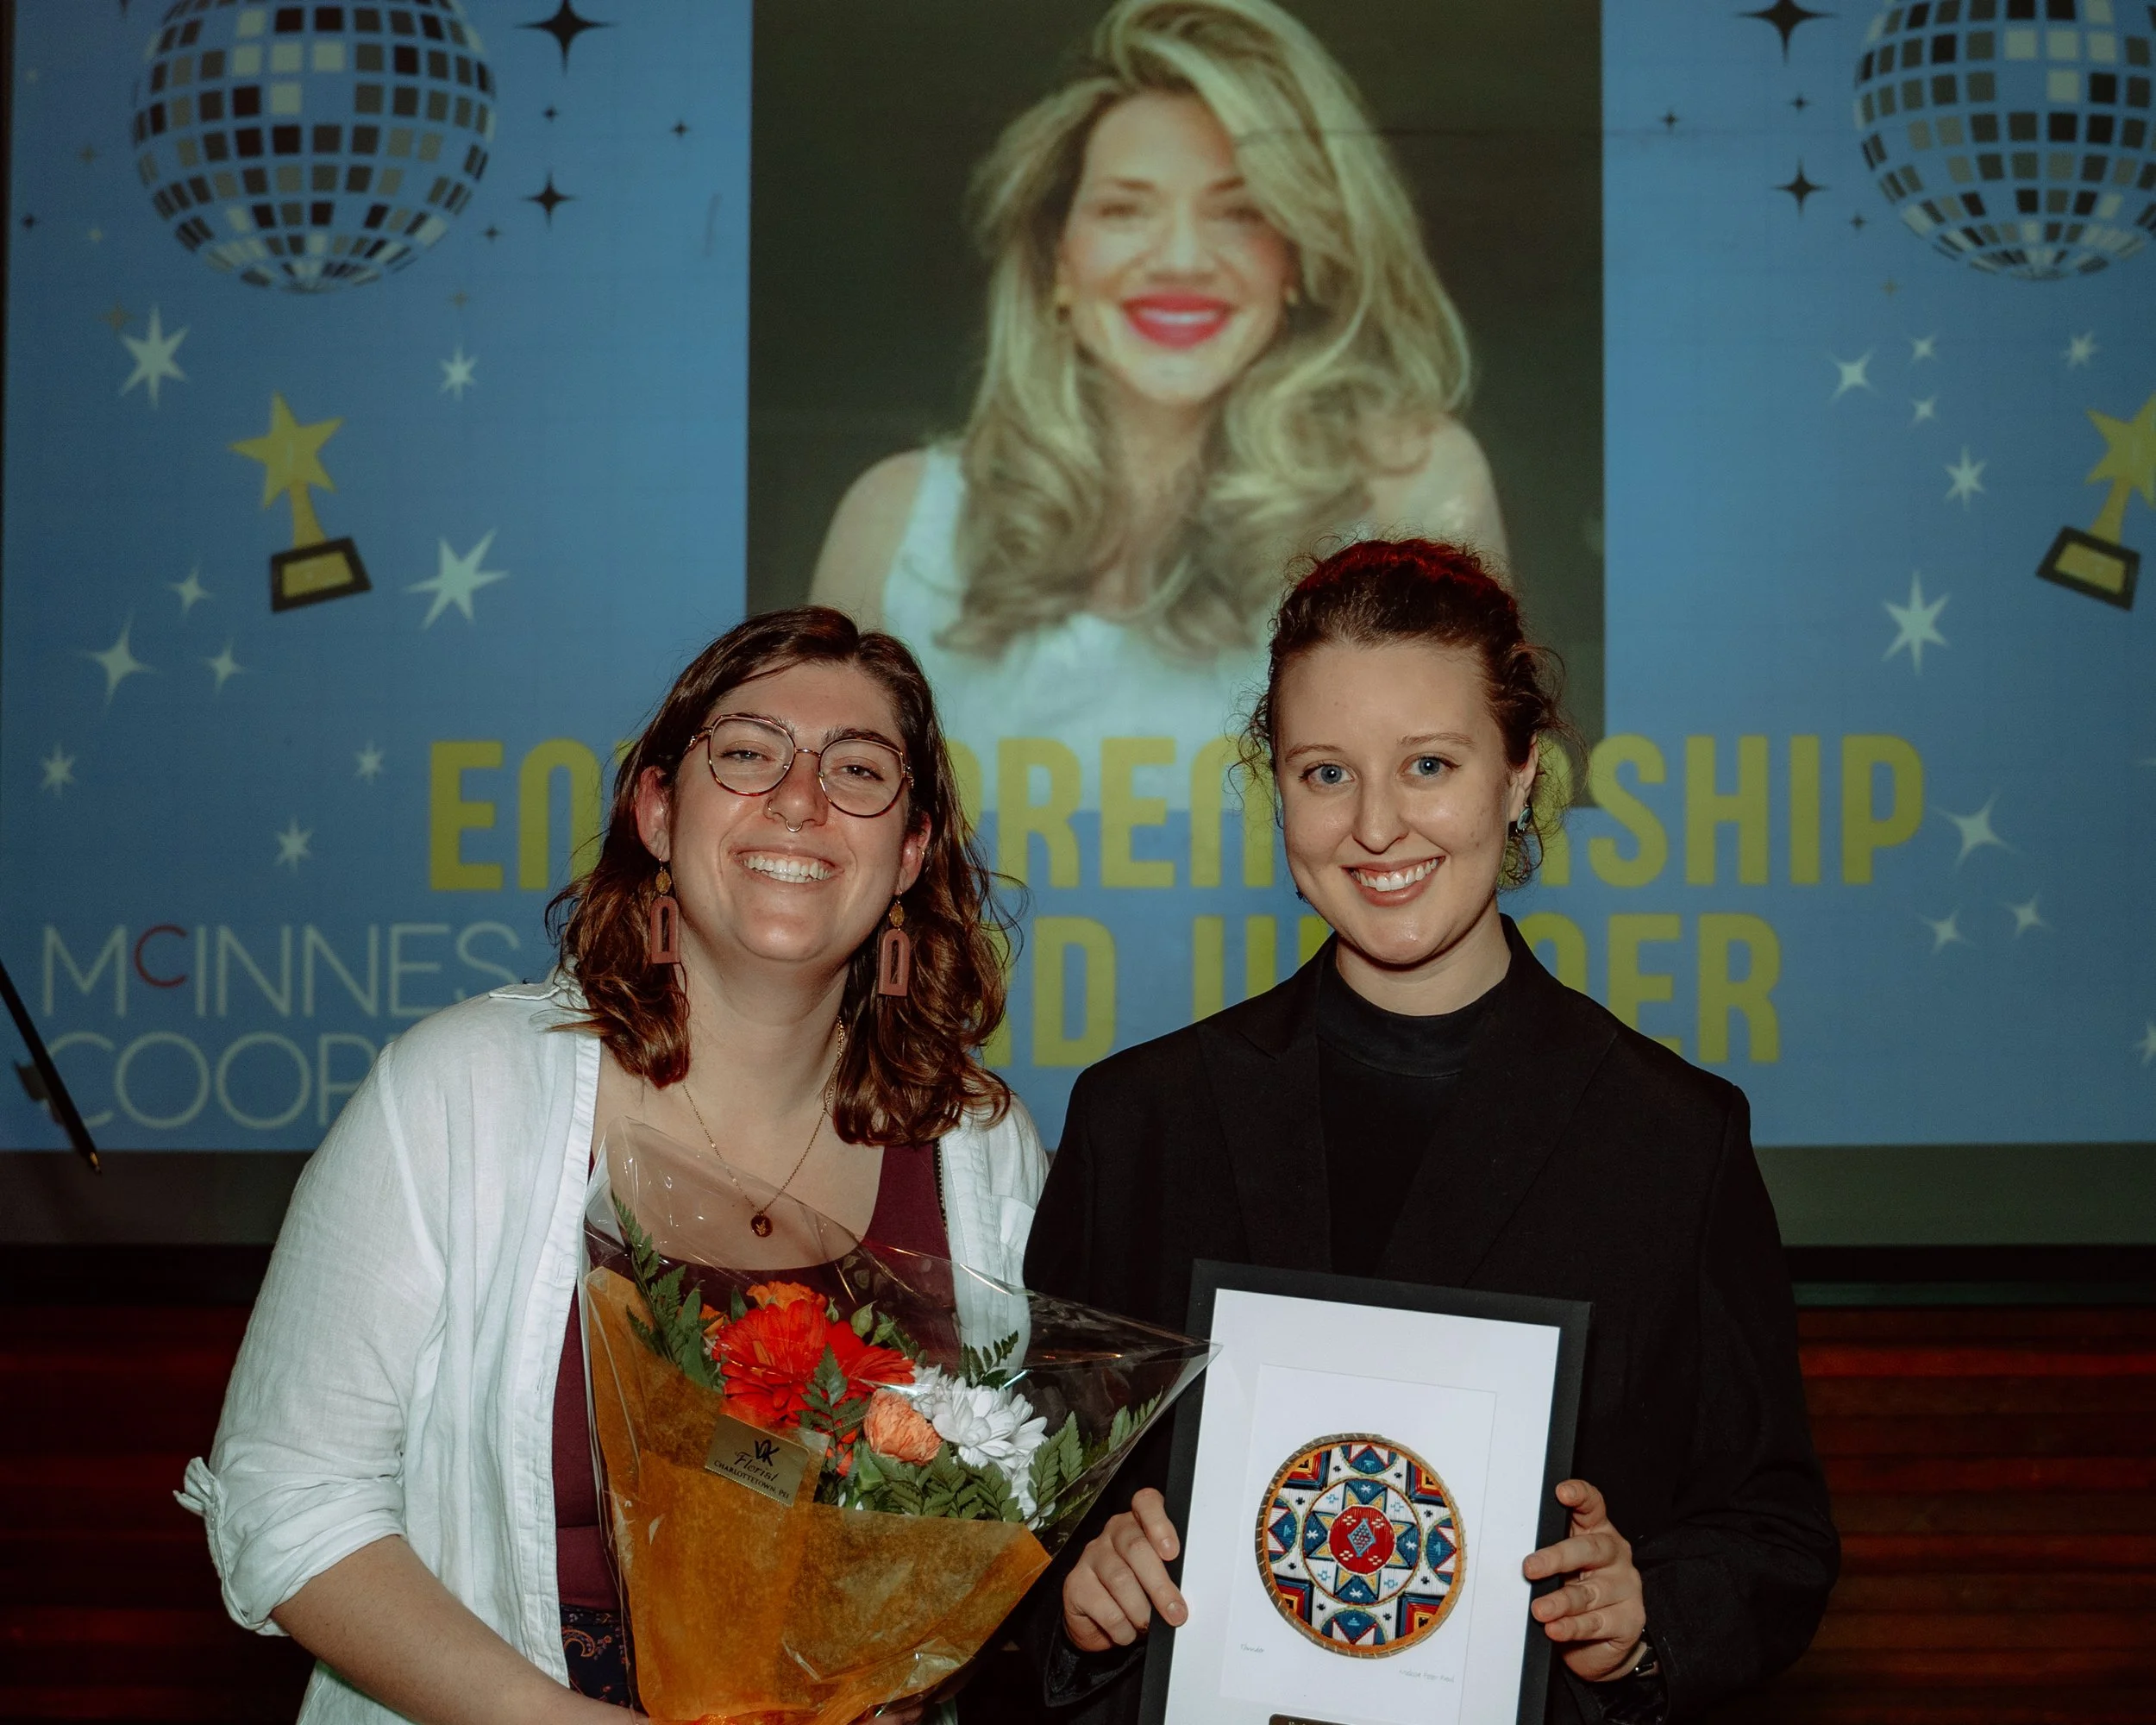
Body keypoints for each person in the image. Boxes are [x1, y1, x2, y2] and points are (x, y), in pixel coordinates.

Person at [179, 608, 1046, 1725]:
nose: (801, 800)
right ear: (655, 809)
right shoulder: (459, 1093)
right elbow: (283, 1500)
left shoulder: (981, 1149)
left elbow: (998, 1517)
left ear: (911, 853)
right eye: (747, 753)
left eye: (859, 770)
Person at [1021, 540, 1838, 1722]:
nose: (1377, 826)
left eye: (1430, 765)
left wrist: (1644, 1610)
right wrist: (1077, 1602)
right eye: (1325, 773)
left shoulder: (1672, 1139)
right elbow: (1024, 1518)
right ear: (1277, 790)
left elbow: (1774, 1531)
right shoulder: (1141, 1119)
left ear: (1520, 778)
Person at [812, 0, 1505, 812]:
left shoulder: (1409, 487)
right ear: (1057, 258)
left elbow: (1466, 819)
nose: (1180, 258)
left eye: (1239, 211)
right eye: (1125, 209)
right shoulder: (895, 522)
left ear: (1296, 257)